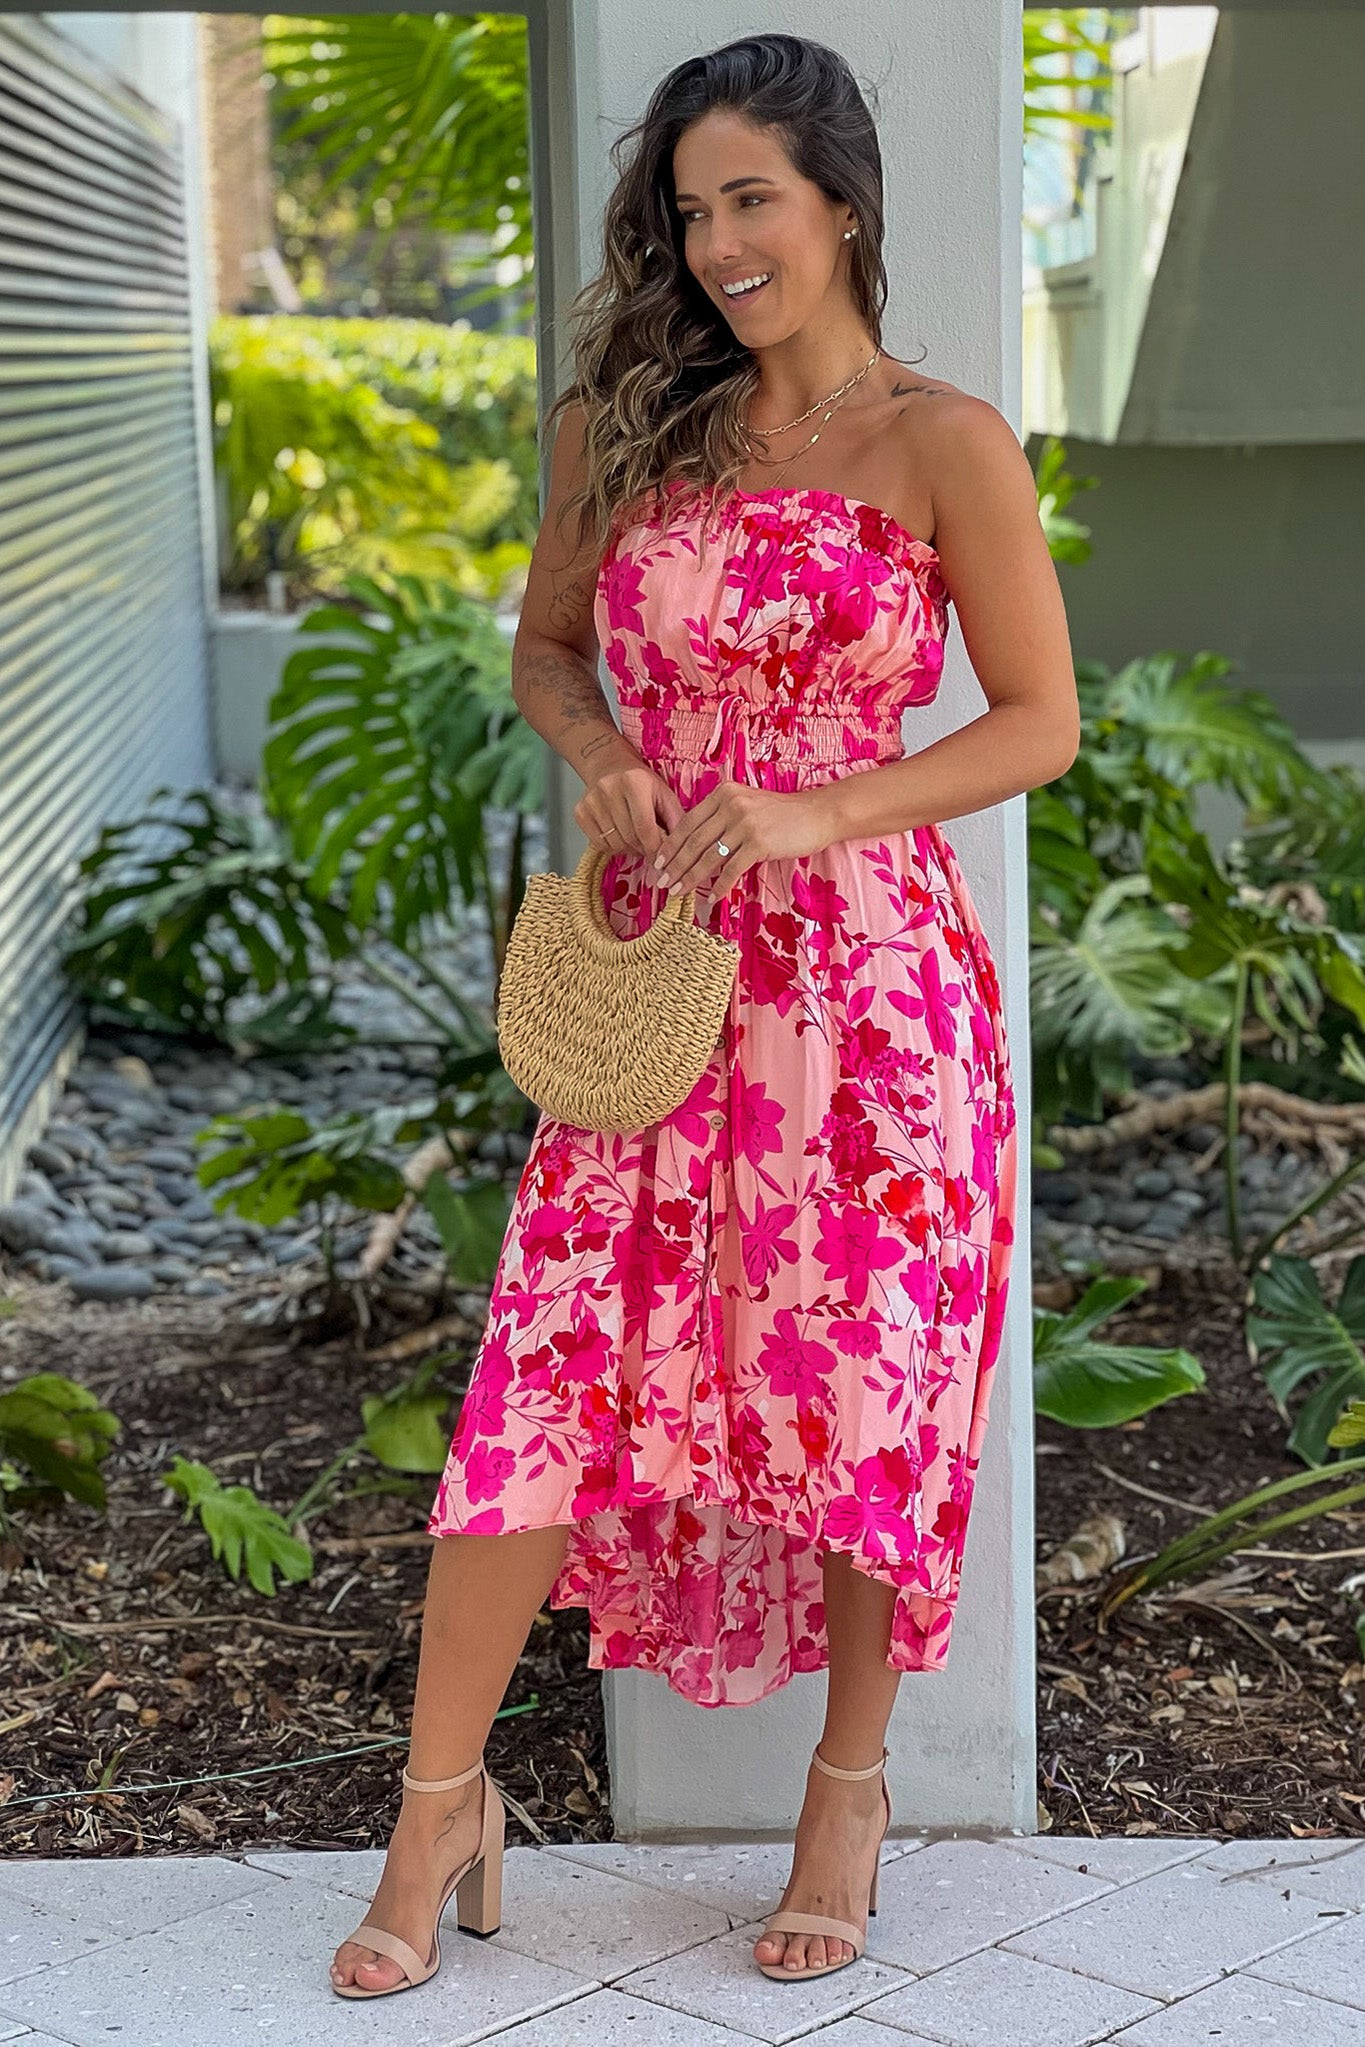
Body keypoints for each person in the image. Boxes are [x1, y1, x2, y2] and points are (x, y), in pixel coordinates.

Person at [330, 30, 1078, 2002]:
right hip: (656, 984)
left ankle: (847, 1789)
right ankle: (436, 1803)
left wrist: (823, 799)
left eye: (750, 196)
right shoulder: (632, 425)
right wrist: (596, 754)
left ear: (839, 203)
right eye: (688, 208)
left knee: (857, 1394)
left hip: (868, 998)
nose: (719, 239)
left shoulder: (946, 443)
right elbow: (547, 651)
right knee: (544, 1381)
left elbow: (1037, 720)